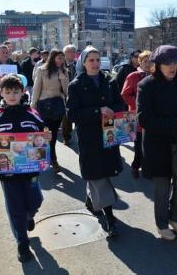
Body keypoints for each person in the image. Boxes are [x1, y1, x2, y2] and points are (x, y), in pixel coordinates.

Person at [0, 74, 45, 262]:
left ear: (22, 91)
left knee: (35, 200)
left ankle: (29, 215)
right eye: (8, 92)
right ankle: (22, 245)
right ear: (1, 93)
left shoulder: (32, 112)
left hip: (30, 169)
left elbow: (43, 132)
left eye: (16, 91)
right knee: (15, 207)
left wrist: (45, 137)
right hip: (7, 172)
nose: (12, 95)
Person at [136, 45, 177, 241]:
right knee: (162, 188)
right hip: (159, 146)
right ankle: (162, 224)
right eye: (167, 63)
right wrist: (174, 124)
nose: (172, 67)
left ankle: (176, 219)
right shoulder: (147, 85)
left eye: (175, 63)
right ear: (157, 65)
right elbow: (144, 119)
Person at [67, 46, 122, 237]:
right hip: (89, 137)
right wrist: (98, 111)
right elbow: (72, 114)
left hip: (109, 135)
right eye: (91, 60)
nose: (95, 63)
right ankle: (111, 219)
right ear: (83, 62)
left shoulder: (109, 81)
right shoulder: (75, 85)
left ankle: (92, 201)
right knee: (98, 175)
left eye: (98, 59)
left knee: (105, 172)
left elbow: (120, 103)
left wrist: (113, 109)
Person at [31, 49, 69, 173]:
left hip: (58, 105)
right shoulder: (42, 70)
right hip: (44, 105)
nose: (61, 60)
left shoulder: (64, 71)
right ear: (52, 58)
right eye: (59, 58)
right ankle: (48, 159)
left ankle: (52, 159)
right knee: (45, 134)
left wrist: (63, 79)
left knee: (52, 135)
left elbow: (66, 91)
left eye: (62, 58)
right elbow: (36, 88)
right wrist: (33, 105)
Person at [121, 50, 152, 178]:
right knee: (138, 146)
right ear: (139, 62)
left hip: (151, 116)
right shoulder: (133, 76)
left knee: (149, 145)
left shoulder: (155, 75)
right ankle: (135, 166)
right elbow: (125, 94)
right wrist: (138, 104)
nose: (148, 64)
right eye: (145, 61)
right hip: (136, 116)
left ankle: (147, 168)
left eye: (151, 61)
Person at [61, 44, 77, 146]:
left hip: (77, 93)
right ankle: (66, 137)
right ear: (65, 54)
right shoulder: (60, 66)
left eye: (73, 52)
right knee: (66, 117)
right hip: (64, 94)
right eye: (69, 52)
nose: (71, 54)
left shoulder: (79, 65)